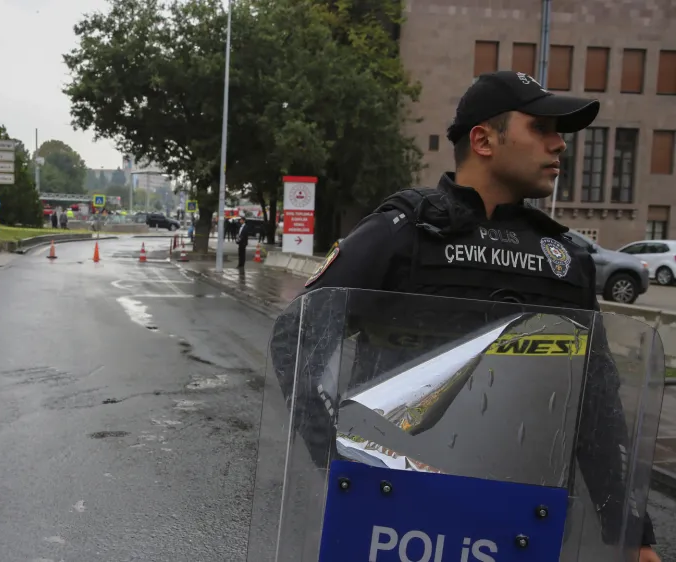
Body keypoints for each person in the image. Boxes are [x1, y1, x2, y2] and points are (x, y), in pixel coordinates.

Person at [282, 70, 659, 560]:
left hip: (517, 525)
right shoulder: (405, 233)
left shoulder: (564, 260)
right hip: (392, 520)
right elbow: (297, 337)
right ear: (483, 139)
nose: (559, 144)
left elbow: (595, 402)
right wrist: (339, 460)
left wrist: (632, 532)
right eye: (541, 128)